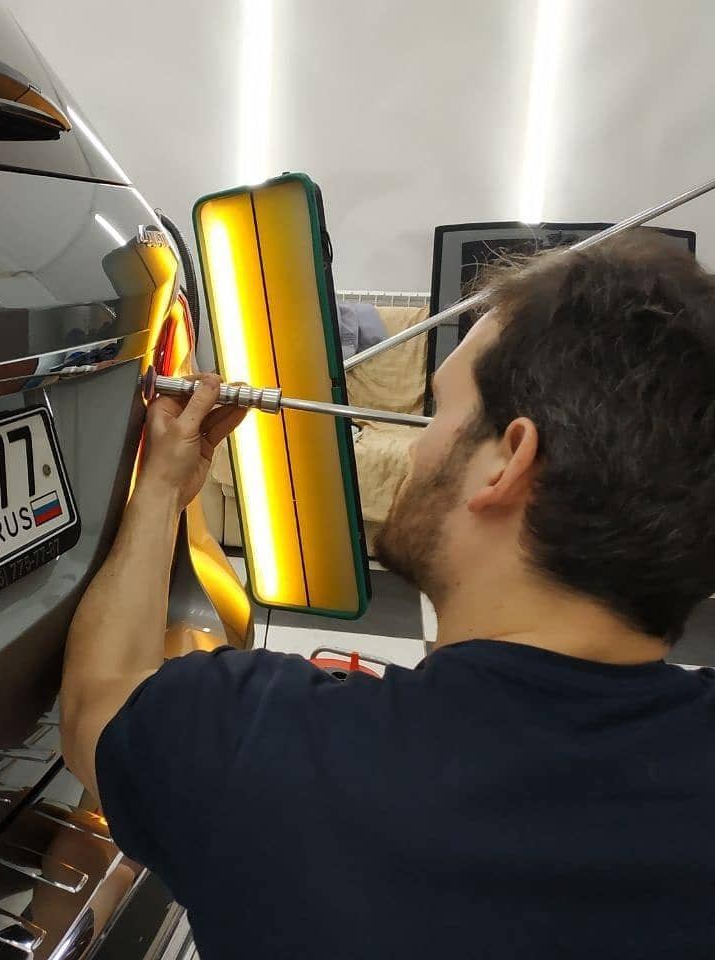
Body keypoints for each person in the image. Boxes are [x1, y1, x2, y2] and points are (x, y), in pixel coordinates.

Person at [61, 231, 715, 959]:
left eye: (441, 412)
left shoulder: (264, 749)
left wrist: (159, 490)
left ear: (507, 462)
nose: (418, 446)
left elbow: (97, 701)